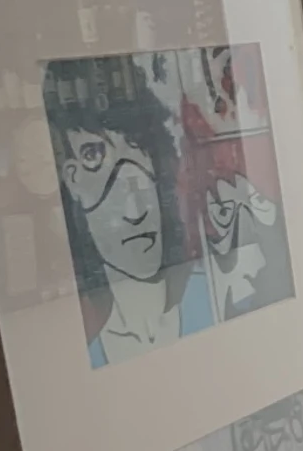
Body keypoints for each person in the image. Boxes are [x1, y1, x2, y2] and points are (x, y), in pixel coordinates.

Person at [46, 56, 211, 367]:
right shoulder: (77, 356)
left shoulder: (213, 297)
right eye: (94, 156)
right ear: (73, 179)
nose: (134, 211)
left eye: (138, 148)